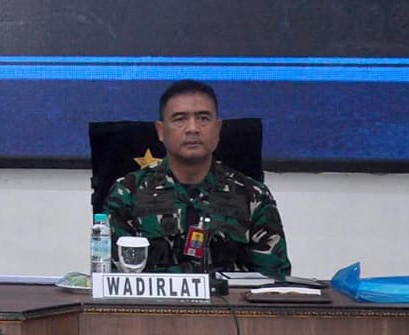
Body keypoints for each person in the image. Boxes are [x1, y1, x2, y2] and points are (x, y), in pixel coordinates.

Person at [104, 80, 291, 277]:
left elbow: (273, 281)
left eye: (203, 118)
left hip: (231, 298)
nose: (192, 128)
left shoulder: (253, 195)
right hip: (152, 298)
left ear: (217, 129)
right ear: (160, 131)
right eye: (180, 119)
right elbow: (111, 278)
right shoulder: (128, 193)